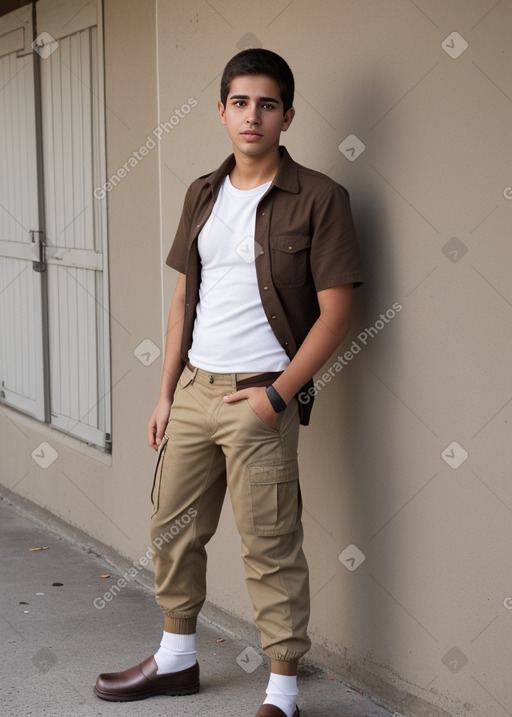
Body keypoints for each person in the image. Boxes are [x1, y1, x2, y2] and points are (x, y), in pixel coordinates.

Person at [94, 48, 363, 717]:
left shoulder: (322, 198)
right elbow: (184, 297)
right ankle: (177, 658)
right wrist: (165, 393)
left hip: (259, 394)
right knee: (171, 526)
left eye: (267, 103)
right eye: (240, 102)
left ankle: (282, 691)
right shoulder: (202, 194)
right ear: (221, 111)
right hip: (194, 390)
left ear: (287, 115)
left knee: (270, 543)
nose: (253, 115)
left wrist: (276, 396)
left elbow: (338, 316)